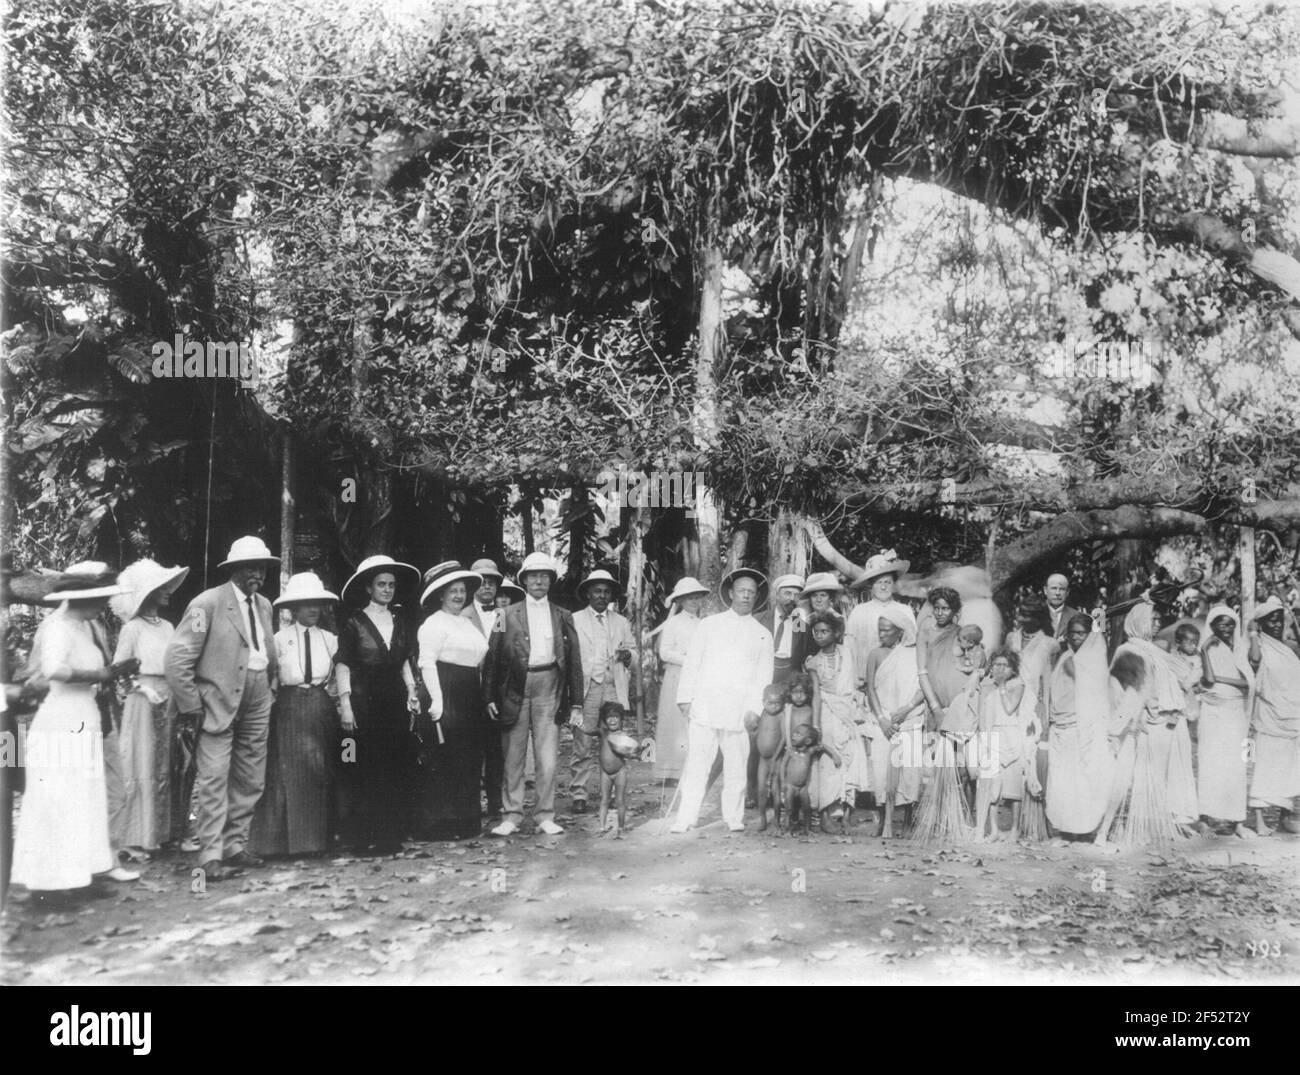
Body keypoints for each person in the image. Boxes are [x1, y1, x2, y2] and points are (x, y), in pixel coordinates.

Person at [13, 563, 141, 898]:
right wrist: (101, 675)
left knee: (85, 798)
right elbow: (53, 669)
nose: (104, 606)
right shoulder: (57, 627)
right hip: (61, 719)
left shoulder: (85, 626)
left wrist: (108, 674)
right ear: (81, 598)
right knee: (60, 797)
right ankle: (51, 886)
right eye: (99, 599)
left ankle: (81, 874)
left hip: (85, 715)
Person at [165, 536, 280, 881]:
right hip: (216, 699)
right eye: (250, 567)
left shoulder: (265, 606)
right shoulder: (207, 604)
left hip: (258, 693)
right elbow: (178, 657)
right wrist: (191, 704)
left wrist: (270, 688)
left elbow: (265, 652)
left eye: (261, 567)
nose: (257, 573)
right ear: (234, 570)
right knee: (214, 776)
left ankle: (235, 846)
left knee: (251, 774)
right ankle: (210, 854)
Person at [484, 551, 585, 837]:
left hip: (549, 685)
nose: (539, 581)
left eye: (544, 576)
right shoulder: (503, 615)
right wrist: (490, 696)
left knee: (547, 755)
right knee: (513, 754)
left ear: (551, 581)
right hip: (514, 688)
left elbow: (574, 661)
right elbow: (492, 658)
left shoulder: (563, 615)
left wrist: (576, 701)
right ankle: (511, 815)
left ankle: (545, 815)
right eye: (533, 576)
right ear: (524, 580)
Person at [670, 568, 774, 833]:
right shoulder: (709, 625)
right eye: (742, 591)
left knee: (737, 767)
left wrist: (754, 709)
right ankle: (686, 817)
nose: (746, 596)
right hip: (705, 704)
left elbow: (764, 676)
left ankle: (734, 817)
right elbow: (692, 662)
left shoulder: (762, 634)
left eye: (751, 592)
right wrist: (685, 698)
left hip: (739, 711)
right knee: (697, 764)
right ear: (731, 593)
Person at [333, 553, 421, 854]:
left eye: (391, 585)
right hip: (364, 698)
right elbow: (343, 664)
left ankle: (389, 834)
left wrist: (411, 692)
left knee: (393, 764)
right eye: (381, 584)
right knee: (364, 764)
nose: (387, 589)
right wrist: (345, 704)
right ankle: (361, 837)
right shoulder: (353, 622)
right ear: (368, 588)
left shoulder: (400, 620)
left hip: (394, 698)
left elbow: (405, 661)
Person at [250, 572, 341, 857]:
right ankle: (281, 844)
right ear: (293, 608)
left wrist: (336, 701)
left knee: (319, 770)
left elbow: (339, 677)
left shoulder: (330, 639)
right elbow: (270, 676)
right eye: (305, 604)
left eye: (316, 603)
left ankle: (318, 842)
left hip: (320, 705)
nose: (313, 609)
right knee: (286, 774)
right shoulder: (278, 639)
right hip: (288, 707)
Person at [108, 558, 189, 859]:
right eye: (161, 587)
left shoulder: (168, 626)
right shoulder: (132, 629)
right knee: (141, 764)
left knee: (167, 764)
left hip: (169, 697)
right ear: (147, 593)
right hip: (142, 698)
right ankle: (135, 838)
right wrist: (142, 689)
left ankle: (163, 833)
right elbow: (118, 669)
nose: (168, 591)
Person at [416, 562, 490, 840]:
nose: (459, 596)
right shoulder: (433, 623)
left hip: (469, 691)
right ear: (441, 595)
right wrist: (437, 700)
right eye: (452, 591)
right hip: (444, 689)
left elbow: (479, 657)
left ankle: (465, 819)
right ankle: (438, 823)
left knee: (468, 756)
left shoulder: (468, 623)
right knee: (443, 757)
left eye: (462, 591)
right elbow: (427, 662)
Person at [570, 569, 635, 814]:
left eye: (606, 592)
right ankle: (579, 793)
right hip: (587, 687)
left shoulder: (621, 622)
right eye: (596, 591)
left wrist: (629, 656)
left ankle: (613, 790)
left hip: (613, 687)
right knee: (583, 741)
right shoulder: (574, 619)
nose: (601, 595)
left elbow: (633, 654)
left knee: (614, 740)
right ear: (587, 593)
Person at [1044, 614, 1114, 839]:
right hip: (1060, 726)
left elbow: (1101, 639)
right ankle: (1064, 829)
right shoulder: (1066, 656)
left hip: (1081, 728)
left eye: (1081, 633)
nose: (1075, 638)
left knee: (1081, 780)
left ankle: (1084, 829)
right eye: (1072, 633)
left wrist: (1100, 614)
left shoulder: (1092, 660)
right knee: (1062, 780)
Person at [804, 609, 870, 833]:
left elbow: (855, 684)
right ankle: (825, 813)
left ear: (835, 633)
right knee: (829, 763)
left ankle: (846, 812)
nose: (819, 635)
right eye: (816, 632)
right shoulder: (813, 662)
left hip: (848, 712)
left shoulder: (847, 653)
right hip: (827, 712)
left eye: (824, 631)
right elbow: (815, 695)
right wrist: (816, 724)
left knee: (851, 759)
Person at [863, 603, 925, 837]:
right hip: (884, 719)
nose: (882, 634)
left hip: (909, 717)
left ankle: (908, 819)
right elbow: (870, 688)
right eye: (880, 630)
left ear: (900, 631)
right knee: (881, 771)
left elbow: (922, 687)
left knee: (909, 770)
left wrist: (906, 709)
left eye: (887, 630)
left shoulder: (914, 653)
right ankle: (883, 820)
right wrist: (882, 719)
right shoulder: (875, 654)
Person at [1195, 605, 1254, 838]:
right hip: (1212, 713)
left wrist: (1220, 679)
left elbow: (1246, 683)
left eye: (1230, 624)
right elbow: (1206, 681)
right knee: (1210, 763)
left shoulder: (1239, 649)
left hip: (1235, 714)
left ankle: (1237, 821)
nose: (1227, 628)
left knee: (1236, 766)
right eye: (1221, 624)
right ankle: (1205, 818)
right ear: (1212, 626)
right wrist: (1203, 652)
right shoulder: (1207, 648)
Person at [1246, 597, 1300, 835]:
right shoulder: (1258, 646)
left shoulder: (1289, 647)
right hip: (1269, 714)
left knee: (1289, 767)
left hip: (1292, 714)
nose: (1277, 625)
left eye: (1279, 620)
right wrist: (1254, 634)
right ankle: (1258, 819)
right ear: (1261, 623)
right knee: (1265, 765)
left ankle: (1283, 816)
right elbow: (1255, 661)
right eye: (1271, 621)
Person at [973, 649, 1035, 842]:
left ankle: (1015, 829)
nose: (1000, 669)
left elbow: (1009, 709)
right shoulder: (986, 686)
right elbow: (983, 714)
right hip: (993, 736)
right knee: (992, 786)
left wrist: (1001, 687)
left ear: (1013, 668)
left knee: (1013, 787)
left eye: (1005, 665)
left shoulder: (1018, 685)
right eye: (996, 665)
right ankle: (994, 830)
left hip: (1012, 735)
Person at [462, 558, 505, 821]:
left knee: (496, 749)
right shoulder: (463, 614)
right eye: (482, 582)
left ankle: (496, 801)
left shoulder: (501, 616)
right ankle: (469, 804)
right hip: (470, 690)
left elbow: (501, 650)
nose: (487, 587)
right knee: (471, 749)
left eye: (492, 582)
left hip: (497, 693)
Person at [652, 577, 708, 782]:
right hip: (677, 674)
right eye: (689, 598)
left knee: (694, 721)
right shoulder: (673, 623)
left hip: (697, 677)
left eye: (697, 598)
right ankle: (669, 771)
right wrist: (689, 660)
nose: (694, 601)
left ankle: (690, 769)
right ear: (681, 600)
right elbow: (664, 653)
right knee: (673, 720)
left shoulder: (704, 624)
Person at [846, 550, 910, 683]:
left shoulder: (904, 610)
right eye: (878, 582)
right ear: (871, 586)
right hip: (864, 678)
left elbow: (911, 646)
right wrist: (853, 677)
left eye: (887, 582)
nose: (883, 587)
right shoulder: (859, 611)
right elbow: (850, 647)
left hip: (896, 677)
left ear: (894, 584)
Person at [595, 701, 647, 837]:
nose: (612, 720)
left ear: (621, 719)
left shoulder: (623, 736)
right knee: (604, 800)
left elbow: (633, 751)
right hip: (605, 773)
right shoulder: (602, 733)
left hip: (620, 772)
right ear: (604, 720)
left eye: (616, 717)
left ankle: (621, 828)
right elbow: (588, 730)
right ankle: (601, 827)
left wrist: (639, 751)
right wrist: (577, 722)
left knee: (620, 801)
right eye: (609, 717)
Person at [780, 725, 840, 836]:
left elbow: (822, 747)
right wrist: (783, 782)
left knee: (807, 809)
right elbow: (783, 767)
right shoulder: (790, 752)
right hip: (790, 786)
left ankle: (807, 830)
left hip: (803, 788)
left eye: (798, 734)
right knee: (789, 809)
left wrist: (834, 755)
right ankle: (787, 830)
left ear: (807, 741)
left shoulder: (809, 752)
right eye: (794, 732)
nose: (794, 735)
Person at [745, 684, 789, 832]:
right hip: (763, 759)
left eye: (778, 703)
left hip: (776, 758)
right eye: (770, 703)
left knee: (776, 789)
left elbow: (783, 737)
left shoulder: (781, 715)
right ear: (763, 702)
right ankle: (762, 818)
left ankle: (776, 820)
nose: (774, 707)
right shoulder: (762, 713)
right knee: (761, 788)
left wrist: (776, 756)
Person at [759, 574, 809, 687]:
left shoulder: (799, 623)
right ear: (777, 595)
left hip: (789, 678)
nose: (792, 598)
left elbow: (802, 651)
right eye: (787, 593)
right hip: (763, 675)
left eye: (796, 595)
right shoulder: (760, 619)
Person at [1044, 573, 1080, 641]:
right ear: (1045, 590)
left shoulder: (1076, 616)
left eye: (1062, 589)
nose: (1057, 593)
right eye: (1054, 588)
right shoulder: (1034, 614)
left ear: (1067, 592)